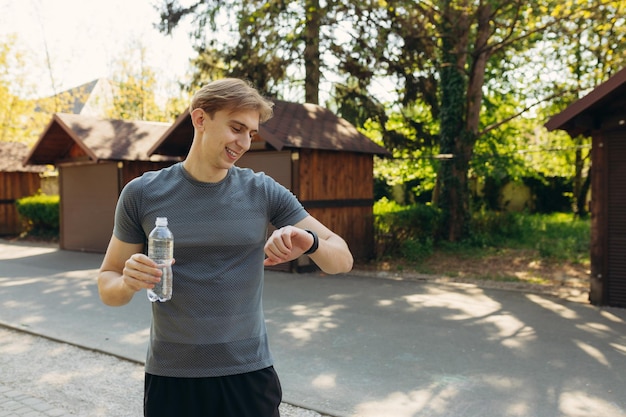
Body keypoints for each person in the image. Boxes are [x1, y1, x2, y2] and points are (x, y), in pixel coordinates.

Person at [97, 78, 354, 417]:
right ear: (200, 119)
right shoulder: (142, 194)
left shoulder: (262, 191)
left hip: (248, 375)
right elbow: (108, 283)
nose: (244, 142)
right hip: (173, 377)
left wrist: (310, 242)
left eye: (251, 133)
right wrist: (128, 282)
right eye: (237, 128)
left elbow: (342, 259)